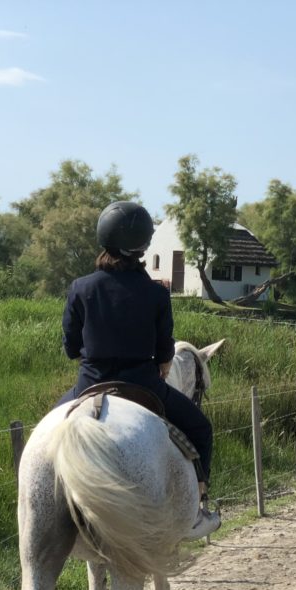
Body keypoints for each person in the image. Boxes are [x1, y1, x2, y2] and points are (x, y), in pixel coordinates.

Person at [57, 201, 219, 538]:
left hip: (89, 385)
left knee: (46, 437)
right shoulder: (156, 293)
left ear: (104, 238)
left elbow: (71, 348)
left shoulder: (80, 288)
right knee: (201, 428)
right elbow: (164, 355)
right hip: (143, 385)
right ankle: (196, 509)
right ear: (143, 246)